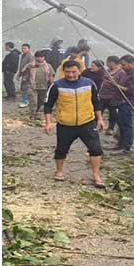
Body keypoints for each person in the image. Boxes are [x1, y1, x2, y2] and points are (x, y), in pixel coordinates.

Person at [44, 60, 106, 188]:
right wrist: (48, 122)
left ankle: (96, 175)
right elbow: (48, 105)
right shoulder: (57, 85)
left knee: (96, 149)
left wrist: (100, 119)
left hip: (87, 122)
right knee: (61, 150)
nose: (71, 75)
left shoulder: (89, 83)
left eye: (73, 72)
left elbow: (96, 102)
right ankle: (59, 171)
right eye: (67, 72)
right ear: (63, 71)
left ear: (79, 71)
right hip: (65, 124)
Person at [112, 55, 134, 154]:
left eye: (124, 65)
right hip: (122, 101)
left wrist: (116, 85)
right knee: (121, 124)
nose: (122, 67)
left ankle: (127, 147)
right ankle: (120, 144)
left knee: (127, 125)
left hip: (128, 102)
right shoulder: (128, 73)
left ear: (131, 63)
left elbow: (130, 90)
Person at [21, 50, 53, 116]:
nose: (39, 58)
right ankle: (33, 113)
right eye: (37, 57)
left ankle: (38, 110)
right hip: (32, 86)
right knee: (33, 100)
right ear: (35, 57)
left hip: (43, 86)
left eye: (41, 57)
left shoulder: (48, 66)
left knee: (41, 100)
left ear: (44, 57)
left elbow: (51, 75)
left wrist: (52, 84)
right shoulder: (30, 65)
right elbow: (23, 72)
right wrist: (28, 69)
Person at [99, 56, 124, 136]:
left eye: (107, 62)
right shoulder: (109, 70)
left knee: (113, 113)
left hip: (112, 96)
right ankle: (99, 125)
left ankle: (111, 128)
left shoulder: (121, 73)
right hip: (103, 95)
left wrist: (115, 83)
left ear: (111, 62)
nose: (106, 64)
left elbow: (122, 84)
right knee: (99, 110)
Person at [18, 43, 34, 108]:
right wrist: (19, 74)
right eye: (22, 48)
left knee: (26, 88)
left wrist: (27, 76)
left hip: (28, 75)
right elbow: (21, 66)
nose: (23, 49)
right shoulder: (23, 55)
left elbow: (31, 66)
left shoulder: (30, 56)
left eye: (25, 48)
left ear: (29, 49)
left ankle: (25, 101)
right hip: (23, 74)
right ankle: (26, 101)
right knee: (23, 88)